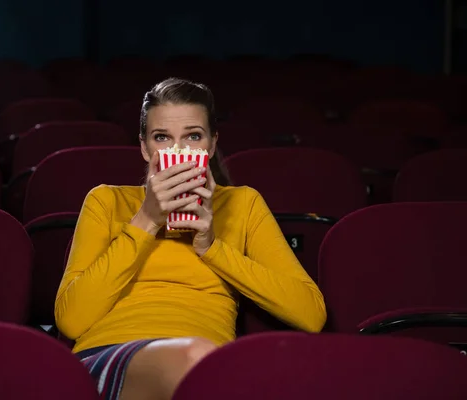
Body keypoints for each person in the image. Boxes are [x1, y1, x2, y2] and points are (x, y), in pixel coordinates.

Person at [55, 78, 326, 400]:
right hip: (113, 357)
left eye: (193, 136)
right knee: (197, 360)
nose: (179, 151)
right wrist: (146, 220)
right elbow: (71, 321)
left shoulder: (242, 203)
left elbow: (310, 315)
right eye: (162, 138)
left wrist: (211, 246)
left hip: (211, 365)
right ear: (144, 147)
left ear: (211, 145)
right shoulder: (106, 201)